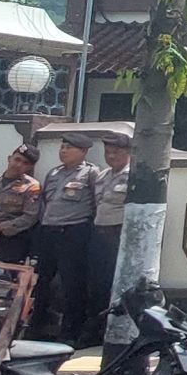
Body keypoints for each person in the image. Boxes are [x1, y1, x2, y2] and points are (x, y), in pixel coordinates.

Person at [35, 133, 103, 343]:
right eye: (62, 146)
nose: (63, 151)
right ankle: (37, 326)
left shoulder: (91, 173)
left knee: (72, 285)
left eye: (69, 147)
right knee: (41, 281)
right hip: (49, 231)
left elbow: (96, 203)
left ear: (83, 152)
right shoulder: (53, 173)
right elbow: (46, 201)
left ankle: (71, 333)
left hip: (74, 232)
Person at [84, 134, 132, 342]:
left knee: (117, 283)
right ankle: (95, 331)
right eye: (108, 152)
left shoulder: (133, 176)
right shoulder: (102, 176)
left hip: (118, 234)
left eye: (116, 152)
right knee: (97, 283)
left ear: (129, 153)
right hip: (99, 232)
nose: (111, 156)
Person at [0, 146, 42, 264]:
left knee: (6, 277)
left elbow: (30, 217)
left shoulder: (32, 186)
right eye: (17, 160)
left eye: (25, 163)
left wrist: (1, 227)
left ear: (30, 167)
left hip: (13, 240)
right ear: (9, 158)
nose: (19, 165)